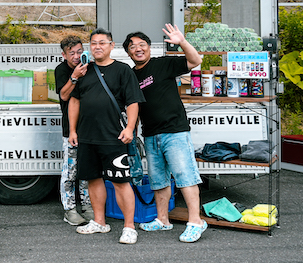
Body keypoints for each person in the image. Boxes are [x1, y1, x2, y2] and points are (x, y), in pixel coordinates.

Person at [124, 25, 209, 244]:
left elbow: (195, 61)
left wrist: (182, 42)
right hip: (150, 134)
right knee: (158, 180)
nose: (138, 49)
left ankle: (196, 222)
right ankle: (162, 219)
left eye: (142, 44)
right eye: (133, 47)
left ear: (149, 47)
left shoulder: (163, 64)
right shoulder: (131, 76)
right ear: (128, 53)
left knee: (185, 176)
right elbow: (134, 105)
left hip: (175, 131)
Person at [67, 28, 144, 245]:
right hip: (87, 137)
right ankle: (99, 222)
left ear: (111, 46)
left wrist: (130, 128)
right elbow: (74, 101)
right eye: (94, 43)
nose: (97, 46)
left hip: (114, 137)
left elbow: (133, 102)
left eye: (102, 42)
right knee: (93, 180)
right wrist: (73, 130)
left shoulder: (123, 70)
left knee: (121, 182)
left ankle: (129, 227)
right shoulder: (84, 70)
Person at [55, 36, 90, 226]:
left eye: (79, 51)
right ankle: (69, 209)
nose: (77, 56)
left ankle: (88, 206)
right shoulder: (61, 70)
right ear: (64, 55)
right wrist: (75, 76)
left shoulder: (90, 66)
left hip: (90, 127)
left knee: (88, 170)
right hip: (71, 129)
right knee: (70, 171)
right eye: (72, 53)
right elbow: (64, 95)